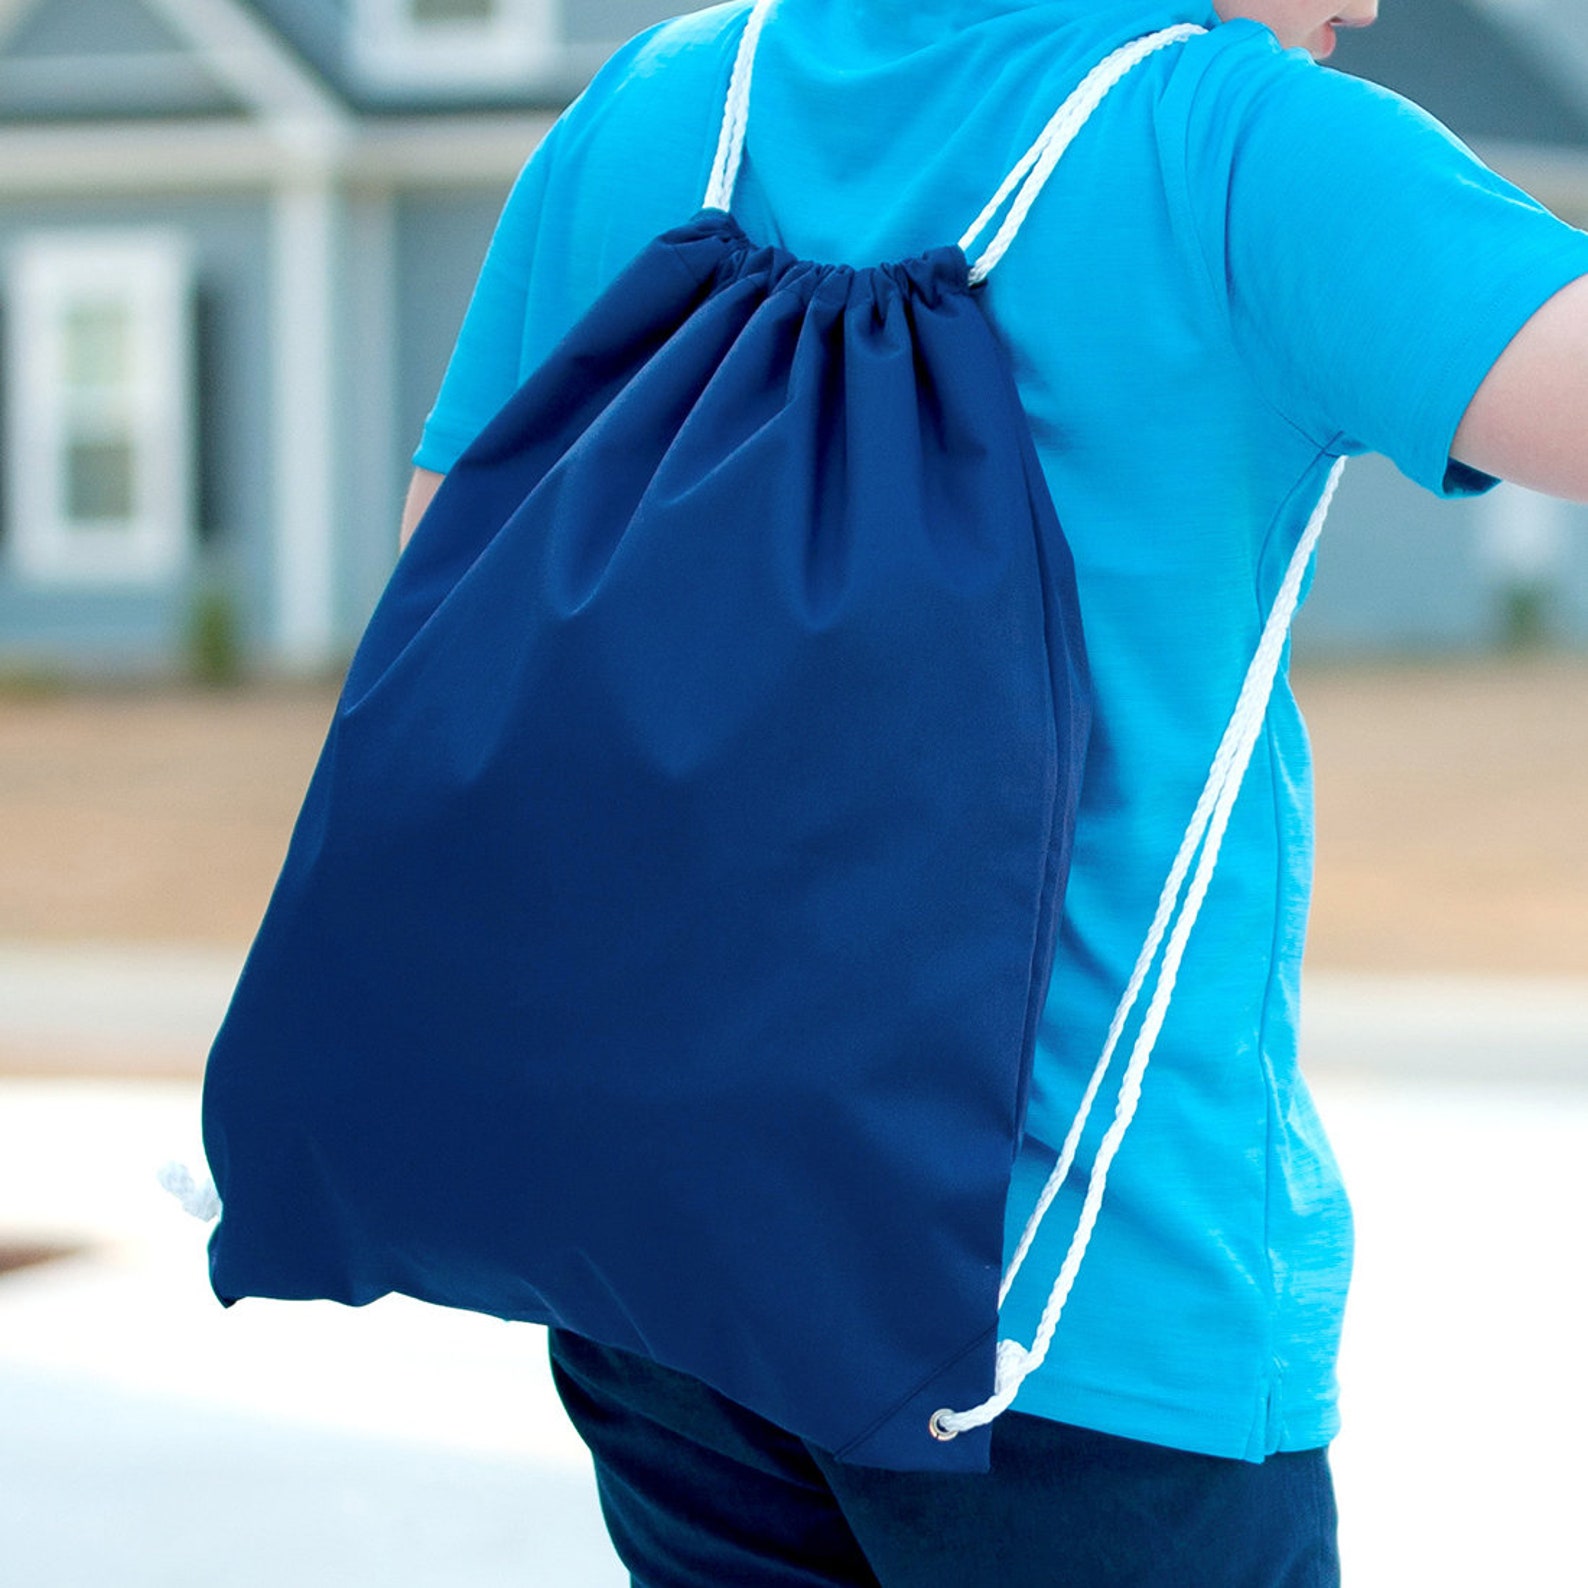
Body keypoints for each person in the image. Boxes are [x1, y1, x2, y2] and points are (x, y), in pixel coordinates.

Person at [397, 2, 1588, 1582]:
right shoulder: (1231, 142)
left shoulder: (661, 99)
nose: (1367, 5)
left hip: (669, 1274)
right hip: (1080, 1318)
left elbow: (445, 590)